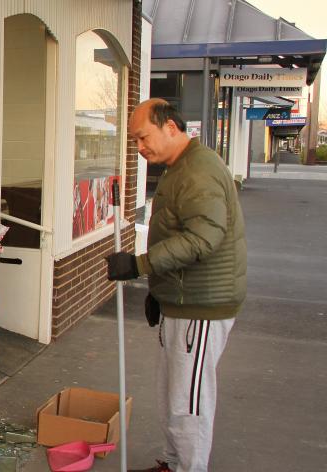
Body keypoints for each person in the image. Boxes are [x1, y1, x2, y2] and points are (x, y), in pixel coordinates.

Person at [106, 99, 246, 472]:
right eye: (136, 140)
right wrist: (159, 291)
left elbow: (201, 240)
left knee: (189, 400)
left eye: (143, 137)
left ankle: (187, 467)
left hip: (201, 306)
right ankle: (173, 462)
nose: (140, 147)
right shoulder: (179, 167)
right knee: (173, 393)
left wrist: (138, 266)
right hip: (182, 301)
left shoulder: (198, 171)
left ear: (170, 127)